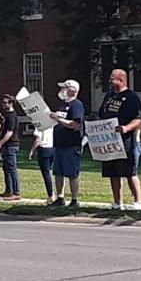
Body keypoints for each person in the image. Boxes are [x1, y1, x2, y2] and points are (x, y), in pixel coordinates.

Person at [98, 69, 141, 210]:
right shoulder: (109, 96)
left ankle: (137, 202)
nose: (110, 82)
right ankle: (117, 202)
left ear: (121, 80)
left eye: (113, 79)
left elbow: (138, 119)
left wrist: (125, 128)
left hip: (127, 141)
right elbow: (102, 114)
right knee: (113, 172)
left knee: (130, 172)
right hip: (110, 141)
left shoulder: (131, 98)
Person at [50, 79, 84, 207]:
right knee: (58, 172)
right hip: (59, 143)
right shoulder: (62, 104)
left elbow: (74, 123)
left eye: (64, 88)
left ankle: (74, 199)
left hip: (71, 144)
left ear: (71, 90)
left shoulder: (76, 105)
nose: (61, 90)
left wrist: (58, 119)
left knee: (72, 173)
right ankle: (60, 197)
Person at [0, 94, 21, 200]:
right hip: (6, 146)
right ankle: (8, 190)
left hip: (11, 145)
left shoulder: (12, 116)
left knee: (11, 169)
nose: (3, 104)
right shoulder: (6, 115)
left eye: (5, 103)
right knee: (6, 168)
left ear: (11, 103)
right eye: (3, 102)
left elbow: (9, 132)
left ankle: (16, 192)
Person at [30, 122, 55, 204]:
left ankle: (51, 195)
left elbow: (38, 139)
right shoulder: (51, 124)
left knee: (46, 173)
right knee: (50, 172)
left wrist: (32, 150)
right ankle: (54, 194)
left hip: (43, 149)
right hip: (52, 149)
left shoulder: (40, 125)